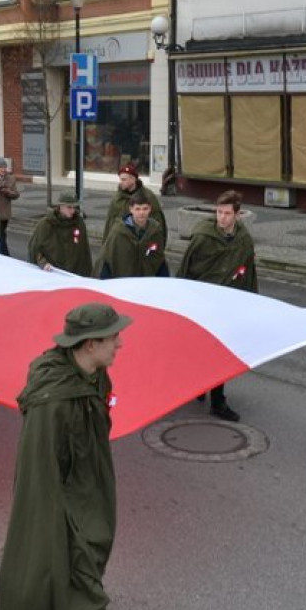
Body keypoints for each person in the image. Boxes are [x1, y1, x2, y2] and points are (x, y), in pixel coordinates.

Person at [0, 303, 131, 610]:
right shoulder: (52, 402)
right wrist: (51, 530)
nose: (120, 344)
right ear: (90, 344)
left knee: (85, 583)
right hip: (65, 508)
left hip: (91, 493)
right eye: (113, 339)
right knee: (83, 591)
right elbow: (38, 474)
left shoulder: (94, 375)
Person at [176, 190, 257, 422]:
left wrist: (252, 304)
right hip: (203, 305)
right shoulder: (202, 237)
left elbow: (250, 273)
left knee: (221, 353)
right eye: (219, 212)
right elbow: (185, 271)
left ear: (237, 215)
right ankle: (198, 383)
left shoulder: (244, 240)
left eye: (227, 213)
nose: (222, 217)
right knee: (200, 349)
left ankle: (218, 401)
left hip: (228, 307)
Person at [93, 187, 167, 279]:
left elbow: (159, 261)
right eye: (137, 209)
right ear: (131, 209)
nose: (141, 213)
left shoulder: (155, 231)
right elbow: (107, 259)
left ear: (150, 209)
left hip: (146, 284)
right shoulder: (118, 232)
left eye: (145, 209)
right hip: (124, 284)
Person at [28, 192, 92, 277]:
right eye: (69, 207)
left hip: (74, 275)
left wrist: (87, 275)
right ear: (61, 206)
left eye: (74, 207)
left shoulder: (79, 223)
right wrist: (43, 263)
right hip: (52, 273)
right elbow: (35, 249)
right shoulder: (45, 224)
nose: (72, 211)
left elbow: (84, 251)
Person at [103, 163, 167, 248]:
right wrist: (106, 246)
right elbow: (109, 224)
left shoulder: (148, 196)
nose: (121, 182)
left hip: (142, 245)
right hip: (121, 245)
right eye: (120, 179)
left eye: (124, 179)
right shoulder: (117, 199)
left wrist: (157, 246)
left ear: (133, 179)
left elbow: (158, 223)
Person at [0, 158, 19, 256]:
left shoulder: (11, 179)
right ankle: (3, 254)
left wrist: (8, 192)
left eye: (4, 167)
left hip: (5, 214)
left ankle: (0, 253)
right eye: (1, 167)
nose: (3, 169)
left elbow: (16, 195)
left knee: (1, 234)